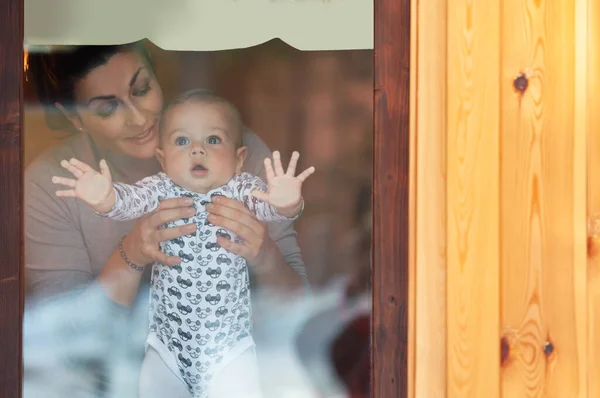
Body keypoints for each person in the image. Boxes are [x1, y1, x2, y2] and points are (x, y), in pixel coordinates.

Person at [24, 42, 309, 396]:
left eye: (142, 89)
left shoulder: (233, 154)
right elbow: (64, 348)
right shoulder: (57, 184)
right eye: (108, 107)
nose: (139, 118)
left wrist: (267, 243)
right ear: (73, 116)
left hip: (232, 353)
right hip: (133, 367)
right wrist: (130, 253)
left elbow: (301, 309)